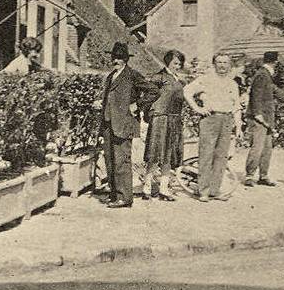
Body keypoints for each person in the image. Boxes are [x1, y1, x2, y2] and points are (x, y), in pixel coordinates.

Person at [95, 42, 152, 209]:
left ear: (126, 59)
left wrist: (137, 105)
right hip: (108, 124)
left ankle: (125, 197)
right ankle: (114, 195)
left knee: (122, 161)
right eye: (114, 57)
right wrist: (101, 103)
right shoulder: (110, 76)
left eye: (120, 58)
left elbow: (153, 91)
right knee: (110, 161)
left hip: (124, 124)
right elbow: (109, 98)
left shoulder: (133, 75)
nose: (116, 60)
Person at [183, 53, 243, 202]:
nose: (222, 65)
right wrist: (198, 108)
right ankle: (203, 191)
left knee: (221, 156)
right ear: (214, 64)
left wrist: (239, 126)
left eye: (225, 63)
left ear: (230, 65)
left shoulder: (232, 84)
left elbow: (236, 106)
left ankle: (215, 190)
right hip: (210, 119)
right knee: (206, 155)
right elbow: (187, 91)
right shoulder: (206, 80)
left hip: (227, 120)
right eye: (219, 62)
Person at [244, 51, 284, 187]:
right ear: (275, 62)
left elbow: (275, 91)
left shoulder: (266, 75)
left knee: (267, 148)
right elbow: (256, 95)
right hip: (259, 117)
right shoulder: (262, 75)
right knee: (258, 147)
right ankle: (249, 176)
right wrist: (257, 113)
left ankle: (263, 175)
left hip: (266, 117)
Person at [143, 49, 187, 201]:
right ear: (167, 62)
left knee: (169, 155)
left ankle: (163, 188)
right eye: (175, 63)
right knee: (155, 154)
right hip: (160, 119)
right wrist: (149, 113)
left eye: (180, 64)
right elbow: (147, 96)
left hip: (174, 120)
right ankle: (146, 188)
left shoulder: (179, 79)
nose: (178, 66)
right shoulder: (159, 77)